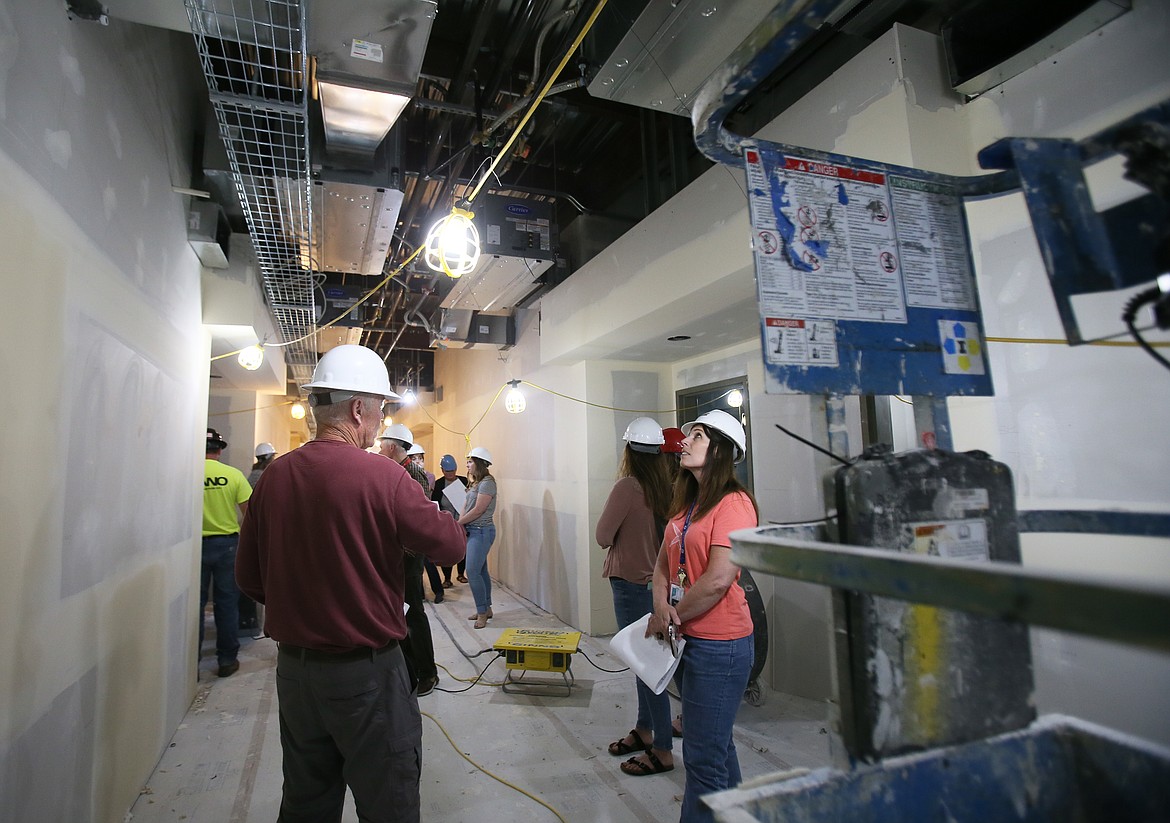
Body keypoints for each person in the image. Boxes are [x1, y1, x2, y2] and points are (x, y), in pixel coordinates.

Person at [236, 344, 464, 823]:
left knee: (307, 799)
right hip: (367, 674)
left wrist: (306, 605)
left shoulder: (273, 479)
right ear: (359, 408)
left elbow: (250, 579)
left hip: (296, 674)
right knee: (389, 799)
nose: (380, 423)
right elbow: (450, 547)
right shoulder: (384, 476)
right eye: (379, 410)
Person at [648, 409, 758, 823]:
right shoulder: (688, 504)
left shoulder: (735, 504)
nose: (686, 442)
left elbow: (717, 580)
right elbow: (662, 564)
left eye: (697, 436)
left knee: (702, 759)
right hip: (687, 639)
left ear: (721, 451)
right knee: (715, 746)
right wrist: (661, 606)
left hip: (721, 645)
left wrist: (672, 615)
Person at [598, 417, 677, 777]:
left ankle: (661, 749)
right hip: (654, 587)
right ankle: (645, 730)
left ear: (629, 449)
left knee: (647, 670)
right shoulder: (665, 486)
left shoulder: (628, 486)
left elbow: (602, 535)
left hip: (630, 584)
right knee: (645, 664)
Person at [379, 423, 442, 695]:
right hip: (396, 553)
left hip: (409, 555)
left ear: (393, 447)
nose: (379, 449)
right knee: (400, 613)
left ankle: (427, 673)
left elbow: (416, 517)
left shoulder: (412, 472)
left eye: (383, 445)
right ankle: (409, 669)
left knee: (414, 613)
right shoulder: (394, 470)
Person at [202, 427, 251, 678]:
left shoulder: (187, 474)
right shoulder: (233, 476)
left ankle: (191, 663)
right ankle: (227, 660)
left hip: (194, 548)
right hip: (227, 546)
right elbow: (249, 514)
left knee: (195, 606)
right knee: (226, 604)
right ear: (220, 451)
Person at [457, 446, 497, 629]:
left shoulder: (488, 482)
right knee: (480, 571)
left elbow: (479, 510)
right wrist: (461, 521)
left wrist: (459, 523)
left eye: (471, 461)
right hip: (473, 530)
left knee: (472, 572)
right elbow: (467, 504)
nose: (467, 464)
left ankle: (482, 612)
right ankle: (486, 608)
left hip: (482, 531)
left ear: (479, 463)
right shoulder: (475, 483)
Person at [240, 442, 277, 631]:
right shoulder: (266, 477)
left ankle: (250, 621)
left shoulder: (251, 476)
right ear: (269, 458)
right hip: (263, 531)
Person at [430, 453, 468, 587]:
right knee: (448, 549)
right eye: (447, 471)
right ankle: (447, 578)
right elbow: (435, 503)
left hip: (463, 521)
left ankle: (461, 574)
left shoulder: (464, 481)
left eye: (453, 471)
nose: (451, 474)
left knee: (464, 548)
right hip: (447, 523)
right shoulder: (439, 484)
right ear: (442, 470)